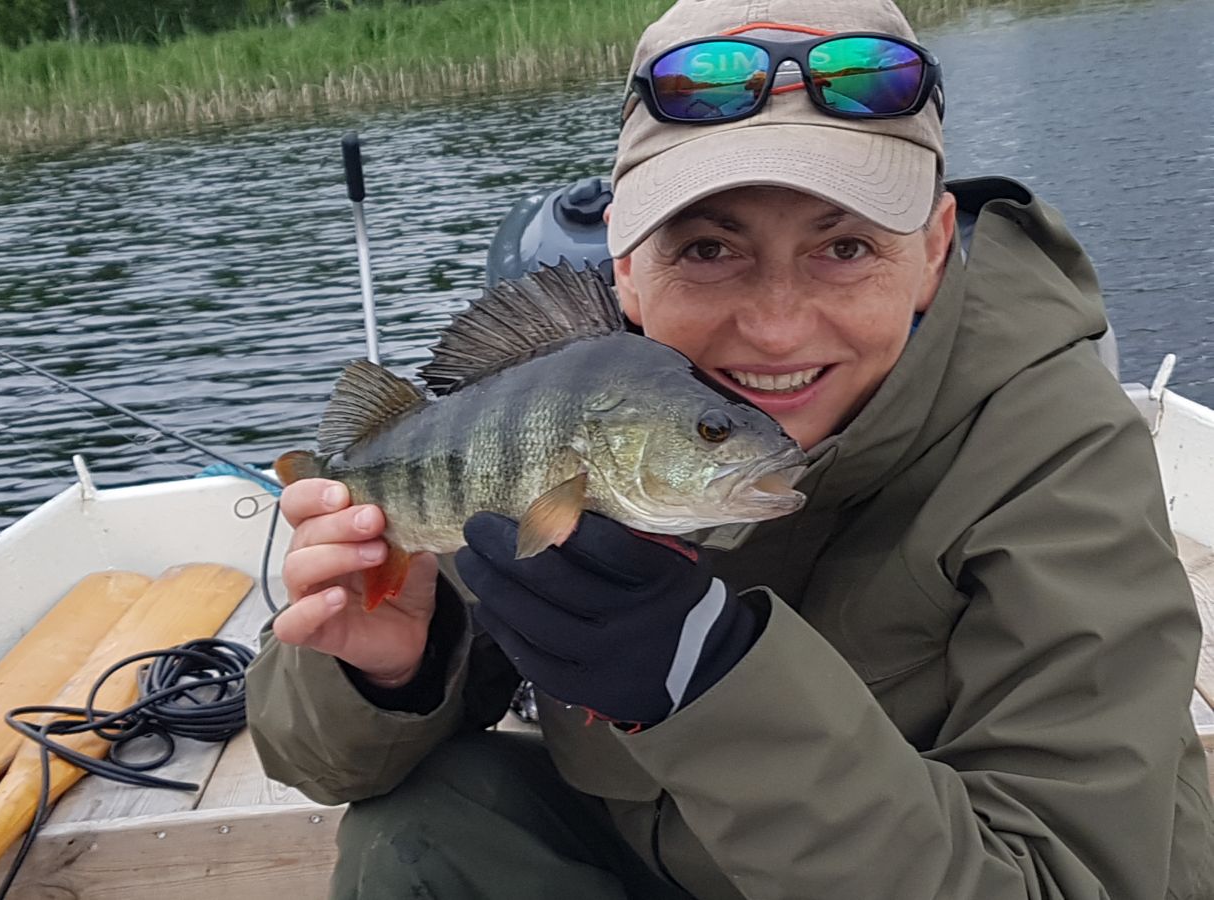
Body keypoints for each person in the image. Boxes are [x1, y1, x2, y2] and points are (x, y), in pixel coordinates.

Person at [245, 0, 1214, 896]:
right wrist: (397, 668)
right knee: (415, 834)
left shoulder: (1058, 454)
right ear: (625, 265)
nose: (778, 329)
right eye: (708, 250)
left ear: (930, 250)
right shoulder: (578, 417)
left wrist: (703, 677)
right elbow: (318, 762)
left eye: (844, 248)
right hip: (672, 864)